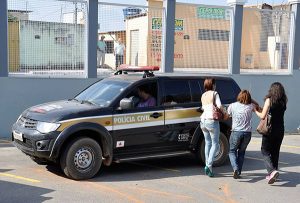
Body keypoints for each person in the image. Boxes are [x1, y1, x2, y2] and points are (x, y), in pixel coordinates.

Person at [255, 82, 287, 184]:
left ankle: (272, 171)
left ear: (271, 90)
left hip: (270, 130)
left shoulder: (269, 100)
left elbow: (262, 116)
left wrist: (254, 110)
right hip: (280, 130)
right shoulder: (283, 102)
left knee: (264, 150)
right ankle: (273, 174)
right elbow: (272, 113)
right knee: (275, 152)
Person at [227, 90, 258, 179]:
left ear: (239, 96)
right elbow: (258, 106)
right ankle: (238, 172)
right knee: (241, 152)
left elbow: (227, 116)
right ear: (249, 98)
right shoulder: (251, 106)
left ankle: (235, 169)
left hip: (236, 132)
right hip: (247, 133)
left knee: (232, 151)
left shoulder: (232, 105)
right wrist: (251, 100)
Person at [200, 78, 226, 177]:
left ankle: (209, 169)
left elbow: (203, 108)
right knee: (215, 143)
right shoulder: (215, 93)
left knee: (208, 143)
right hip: (212, 120)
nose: (215, 86)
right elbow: (219, 106)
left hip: (203, 121)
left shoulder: (203, 95)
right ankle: (209, 164)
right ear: (212, 85)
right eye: (214, 84)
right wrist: (225, 112)